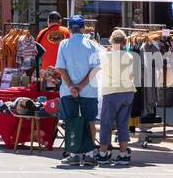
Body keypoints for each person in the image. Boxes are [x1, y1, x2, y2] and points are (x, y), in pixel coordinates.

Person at [56, 14, 101, 167]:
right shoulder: (92, 45)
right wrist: (81, 86)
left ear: (69, 29)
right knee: (90, 121)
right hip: (88, 90)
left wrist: (71, 86)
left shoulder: (64, 44)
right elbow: (95, 69)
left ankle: (74, 154)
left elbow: (61, 68)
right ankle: (89, 155)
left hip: (68, 91)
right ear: (83, 28)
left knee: (71, 121)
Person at [95, 28, 137, 166]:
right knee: (123, 123)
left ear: (112, 41)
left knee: (106, 123)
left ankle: (103, 153)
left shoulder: (106, 56)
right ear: (124, 42)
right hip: (128, 92)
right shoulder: (130, 56)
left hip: (112, 92)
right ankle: (123, 153)